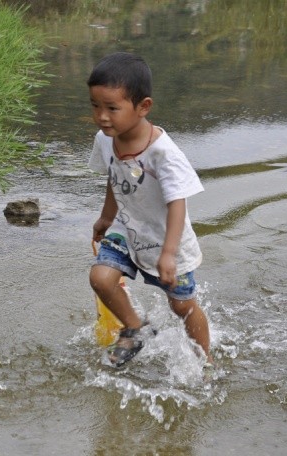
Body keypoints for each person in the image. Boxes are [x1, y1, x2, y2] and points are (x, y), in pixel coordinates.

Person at [87, 52, 213, 369]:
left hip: (166, 240)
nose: (102, 116)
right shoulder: (106, 139)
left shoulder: (163, 154)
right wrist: (106, 215)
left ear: (143, 107)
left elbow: (177, 204)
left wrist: (169, 253)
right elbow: (115, 177)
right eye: (95, 106)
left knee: (181, 306)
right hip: (127, 229)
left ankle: (206, 359)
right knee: (101, 278)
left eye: (112, 108)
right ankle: (135, 328)